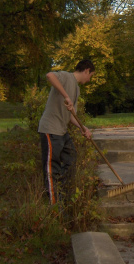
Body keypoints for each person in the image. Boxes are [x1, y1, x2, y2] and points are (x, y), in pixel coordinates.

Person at [38, 59, 95, 205]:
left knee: (71, 159)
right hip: (50, 130)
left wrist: (83, 128)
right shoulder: (66, 76)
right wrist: (66, 96)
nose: (89, 80)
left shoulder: (76, 88)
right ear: (86, 70)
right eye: (91, 76)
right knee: (52, 168)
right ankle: (54, 206)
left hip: (62, 132)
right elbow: (50, 75)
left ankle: (61, 193)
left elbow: (71, 115)